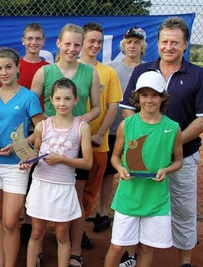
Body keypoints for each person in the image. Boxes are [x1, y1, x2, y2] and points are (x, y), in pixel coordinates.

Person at [120, 17, 203, 267]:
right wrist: (143, 143)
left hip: (182, 158)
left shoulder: (199, 75)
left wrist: (169, 144)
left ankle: (184, 261)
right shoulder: (143, 71)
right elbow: (128, 110)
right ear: (158, 43)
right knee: (137, 208)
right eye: (164, 41)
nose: (169, 47)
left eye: (175, 42)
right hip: (142, 158)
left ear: (185, 45)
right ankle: (131, 256)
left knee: (183, 211)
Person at [30, 23, 100, 264]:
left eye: (77, 45)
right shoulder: (44, 72)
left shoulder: (90, 72)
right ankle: (36, 252)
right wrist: (48, 126)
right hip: (50, 141)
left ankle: (75, 251)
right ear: (58, 44)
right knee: (41, 196)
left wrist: (79, 123)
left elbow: (98, 107)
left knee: (75, 198)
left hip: (76, 143)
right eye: (67, 43)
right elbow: (33, 105)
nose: (72, 49)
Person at [104, 71, 183, 267]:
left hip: (156, 200)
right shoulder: (126, 124)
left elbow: (178, 161)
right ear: (137, 97)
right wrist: (120, 169)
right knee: (117, 247)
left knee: (147, 248)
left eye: (154, 95)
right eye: (144, 95)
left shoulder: (173, 128)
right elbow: (115, 156)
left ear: (162, 97)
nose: (149, 100)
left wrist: (166, 170)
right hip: (128, 198)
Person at [0, 48, 44, 267]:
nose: (4, 72)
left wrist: (18, 144)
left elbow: (41, 129)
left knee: (10, 221)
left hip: (17, 166)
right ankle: (1, 261)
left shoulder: (29, 97)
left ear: (17, 68)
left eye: (8, 67)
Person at [24, 78, 92, 267]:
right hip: (41, 184)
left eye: (67, 99)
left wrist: (61, 159)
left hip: (64, 186)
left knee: (62, 234)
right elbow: (35, 155)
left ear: (76, 100)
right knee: (37, 232)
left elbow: (87, 162)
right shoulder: (42, 126)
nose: (62, 103)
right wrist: (27, 162)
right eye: (58, 99)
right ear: (51, 100)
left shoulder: (82, 127)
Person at [76, 22, 123, 266]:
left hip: (97, 144)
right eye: (90, 41)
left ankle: (80, 230)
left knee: (88, 192)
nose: (94, 45)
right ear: (81, 42)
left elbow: (113, 105)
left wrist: (100, 133)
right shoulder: (70, 69)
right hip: (69, 145)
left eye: (98, 42)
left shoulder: (108, 72)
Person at [105, 26, 147, 267]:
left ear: (143, 45)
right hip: (117, 131)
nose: (133, 45)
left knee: (137, 181)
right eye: (129, 41)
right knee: (117, 175)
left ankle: (134, 251)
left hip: (142, 137)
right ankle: (113, 225)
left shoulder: (149, 68)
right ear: (123, 43)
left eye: (137, 42)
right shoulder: (113, 67)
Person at [17, 22, 50, 247]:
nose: (33, 43)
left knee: (33, 180)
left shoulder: (49, 68)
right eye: (29, 38)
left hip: (39, 129)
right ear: (22, 41)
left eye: (37, 39)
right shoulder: (14, 66)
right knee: (15, 178)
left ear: (44, 42)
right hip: (17, 131)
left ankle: (30, 224)